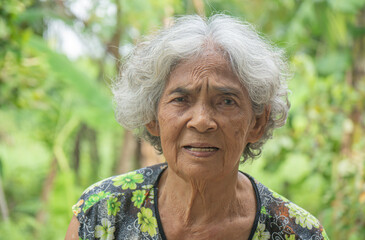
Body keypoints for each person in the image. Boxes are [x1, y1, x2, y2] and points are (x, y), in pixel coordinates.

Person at [66, 14, 329, 240]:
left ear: (257, 123)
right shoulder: (102, 214)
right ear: (152, 117)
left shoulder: (298, 232)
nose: (202, 121)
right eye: (181, 99)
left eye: (226, 101)